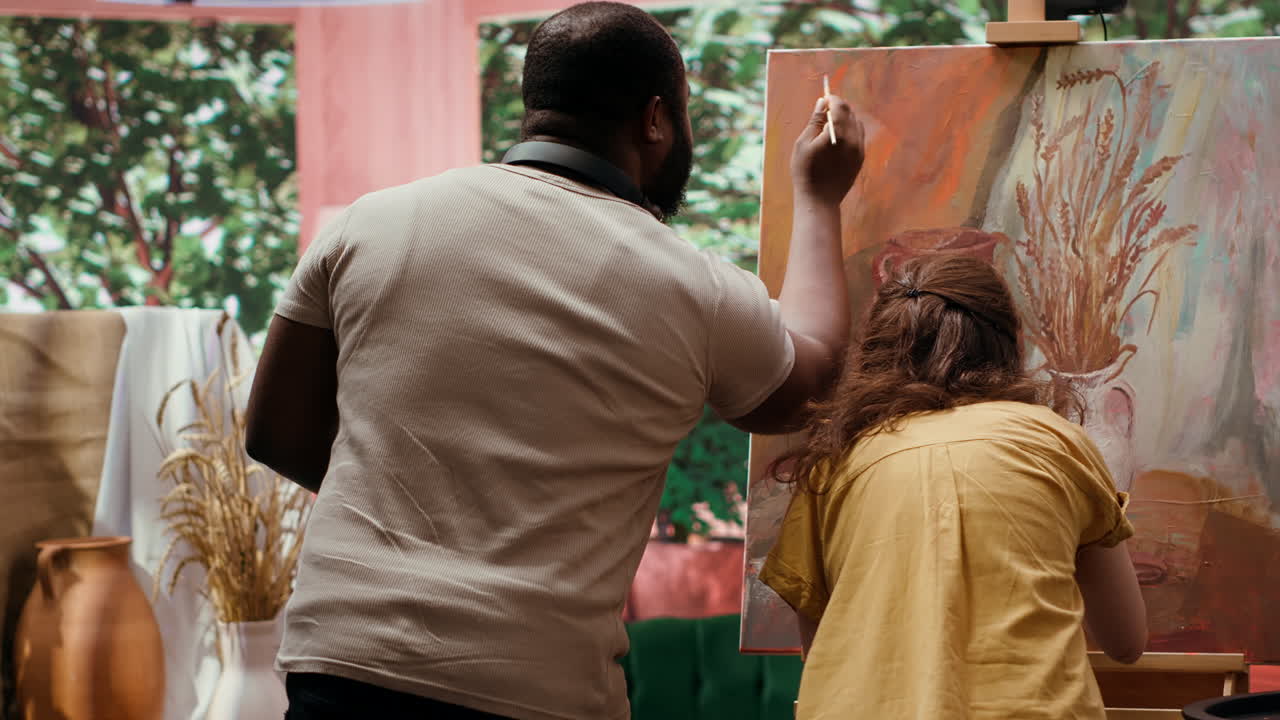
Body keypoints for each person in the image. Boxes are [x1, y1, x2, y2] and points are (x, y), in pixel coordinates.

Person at [244, 2, 865, 719]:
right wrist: (819, 198)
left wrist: (424, 496)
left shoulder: (371, 222)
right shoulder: (691, 286)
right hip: (532, 689)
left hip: (343, 667)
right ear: (656, 119)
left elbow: (274, 432)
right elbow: (810, 384)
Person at [759, 255, 1147, 720]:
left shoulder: (834, 465)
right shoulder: (1055, 440)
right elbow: (1125, 641)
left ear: (876, 351)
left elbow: (827, 657)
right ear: (1008, 344)